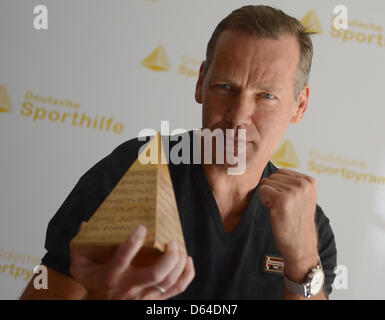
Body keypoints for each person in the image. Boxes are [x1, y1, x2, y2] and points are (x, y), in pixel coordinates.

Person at [20, 5, 337, 300]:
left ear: (300, 105)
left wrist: (303, 261)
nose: (239, 116)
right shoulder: (135, 172)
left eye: (266, 96)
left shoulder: (309, 224)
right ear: (201, 83)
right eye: (225, 87)